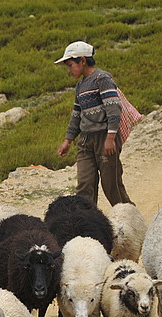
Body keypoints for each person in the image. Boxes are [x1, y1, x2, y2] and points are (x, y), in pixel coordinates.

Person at [55, 41, 133, 207]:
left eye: (70, 65)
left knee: (112, 186)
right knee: (84, 185)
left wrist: (111, 137)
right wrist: (68, 140)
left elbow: (113, 109)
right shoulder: (80, 86)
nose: (68, 71)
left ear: (82, 61)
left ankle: (129, 218)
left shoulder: (102, 79)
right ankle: (87, 222)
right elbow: (77, 114)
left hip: (105, 138)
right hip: (85, 140)